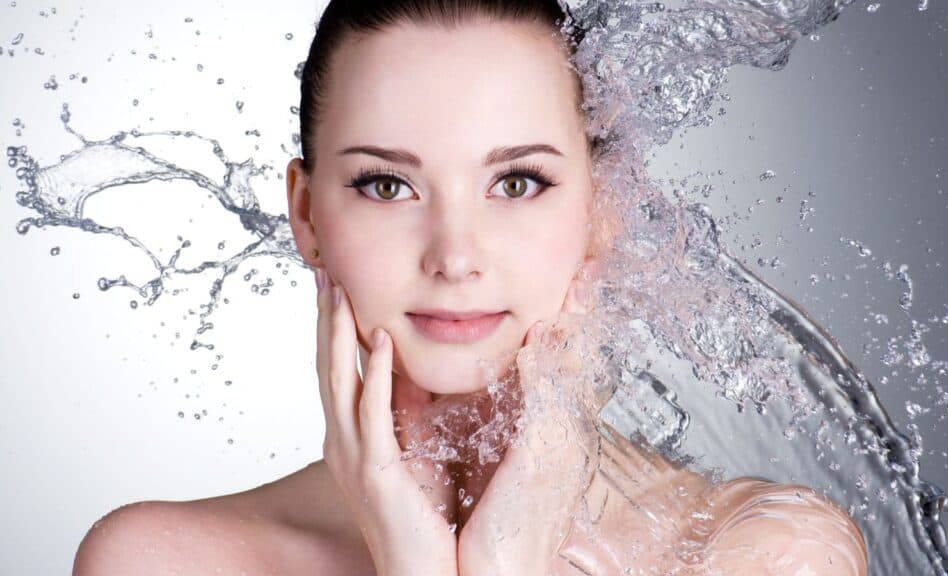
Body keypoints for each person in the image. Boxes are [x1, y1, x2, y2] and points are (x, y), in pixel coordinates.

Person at [72, 1, 868, 574]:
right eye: (387, 186)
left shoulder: (760, 553)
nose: (455, 257)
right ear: (308, 214)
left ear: (604, 207)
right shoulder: (161, 562)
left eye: (517, 183)